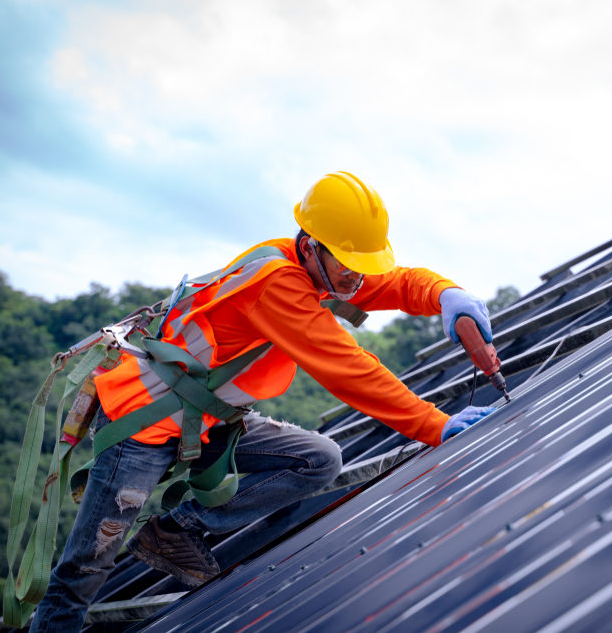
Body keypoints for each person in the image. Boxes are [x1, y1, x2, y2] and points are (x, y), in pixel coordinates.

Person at [29, 171, 498, 631]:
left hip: (207, 419)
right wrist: (433, 425)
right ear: (312, 245)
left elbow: (393, 282)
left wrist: (444, 293)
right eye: (346, 266)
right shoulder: (277, 282)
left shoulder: (326, 269)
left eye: (362, 266)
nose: (355, 280)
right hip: (144, 424)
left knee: (318, 459)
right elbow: (349, 369)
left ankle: (175, 530)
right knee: (83, 573)